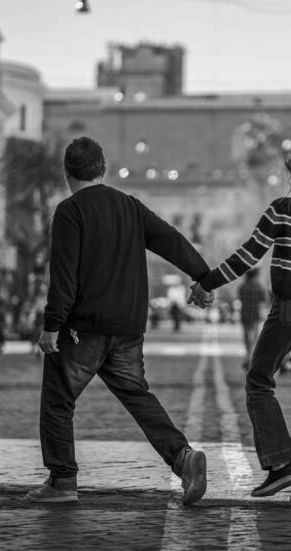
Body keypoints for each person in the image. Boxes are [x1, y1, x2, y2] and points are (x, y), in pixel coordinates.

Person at [31, 136, 212, 505]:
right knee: (137, 396)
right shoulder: (130, 206)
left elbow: (63, 275)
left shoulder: (70, 211)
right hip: (128, 327)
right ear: (103, 169)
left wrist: (52, 326)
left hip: (83, 329)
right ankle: (183, 458)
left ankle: (62, 481)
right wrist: (203, 277)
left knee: (57, 400)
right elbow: (171, 240)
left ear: (67, 172)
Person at [191, 146, 291, 504]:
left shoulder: (282, 210)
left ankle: (280, 465)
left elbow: (248, 254)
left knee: (258, 380)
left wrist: (207, 282)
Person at [238, 266, 268, 368]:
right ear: (255, 276)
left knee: (247, 338)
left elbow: (240, 298)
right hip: (255, 316)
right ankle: (251, 359)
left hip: (245, 315)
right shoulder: (259, 287)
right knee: (255, 339)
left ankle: (248, 356)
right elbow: (265, 300)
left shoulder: (242, 287)